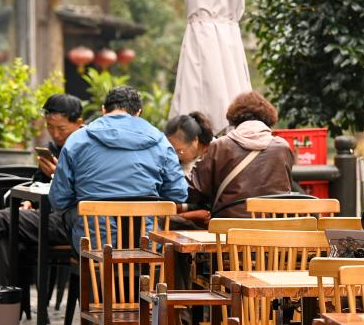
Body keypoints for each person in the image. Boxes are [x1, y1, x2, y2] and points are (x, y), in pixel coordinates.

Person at [49, 85, 188, 251]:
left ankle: (89, 265)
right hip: (147, 244)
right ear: (139, 112)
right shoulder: (161, 142)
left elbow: (59, 199)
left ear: (103, 110)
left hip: (96, 246)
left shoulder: (77, 140)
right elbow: (178, 193)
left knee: (72, 215)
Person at [0, 94, 84, 285]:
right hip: (46, 216)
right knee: (6, 238)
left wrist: (57, 174)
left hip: (69, 221)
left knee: (2, 219)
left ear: (78, 122)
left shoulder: (85, 147)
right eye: (50, 127)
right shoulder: (53, 148)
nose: (55, 134)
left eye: (61, 128)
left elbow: (81, 189)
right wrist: (28, 202)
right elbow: (38, 182)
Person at [182, 91, 293, 220]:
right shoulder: (282, 148)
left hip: (230, 226)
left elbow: (193, 191)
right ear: (268, 116)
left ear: (234, 117)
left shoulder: (220, 146)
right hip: (275, 227)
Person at [165, 113, 215, 229]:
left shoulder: (214, 155)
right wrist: (186, 214)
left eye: (180, 151)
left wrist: (183, 213)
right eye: (172, 151)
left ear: (195, 140)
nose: (175, 155)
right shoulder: (175, 161)